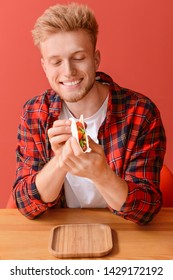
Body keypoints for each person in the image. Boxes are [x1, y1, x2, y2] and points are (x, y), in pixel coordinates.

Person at [12, 2, 166, 224]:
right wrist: (60, 162)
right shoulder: (35, 113)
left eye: (78, 58)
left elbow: (146, 209)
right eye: (56, 62)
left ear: (95, 59)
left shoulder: (140, 113)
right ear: (45, 67)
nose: (68, 71)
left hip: (125, 233)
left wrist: (100, 174)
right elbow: (26, 205)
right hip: (60, 234)